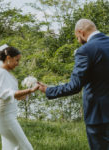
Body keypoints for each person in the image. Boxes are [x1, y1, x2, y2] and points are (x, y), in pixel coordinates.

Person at [38, 19, 109, 150]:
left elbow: (74, 86)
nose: (78, 40)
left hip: (97, 114)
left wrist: (49, 90)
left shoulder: (85, 50)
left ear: (81, 32)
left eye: (77, 37)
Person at [0, 44, 39, 150]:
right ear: (8, 58)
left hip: (9, 116)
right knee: (25, 147)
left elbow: (15, 97)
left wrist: (29, 91)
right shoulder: (0, 73)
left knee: (11, 147)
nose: (18, 64)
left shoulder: (8, 75)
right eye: (17, 60)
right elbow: (5, 94)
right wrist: (30, 90)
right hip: (4, 117)